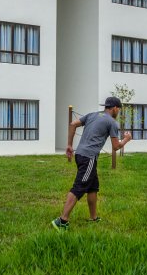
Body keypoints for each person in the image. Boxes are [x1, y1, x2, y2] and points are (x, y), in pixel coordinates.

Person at [52, 96, 132, 232]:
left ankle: (93, 218)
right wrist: (126, 139)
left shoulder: (92, 115)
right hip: (88, 157)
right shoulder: (112, 122)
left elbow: (73, 124)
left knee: (93, 187)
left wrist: (69, 145)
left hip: (80, 154)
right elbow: (116, 146)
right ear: (114, 108)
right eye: (119, 109)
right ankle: (62, 221)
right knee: (79, 187)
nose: (118, 112)